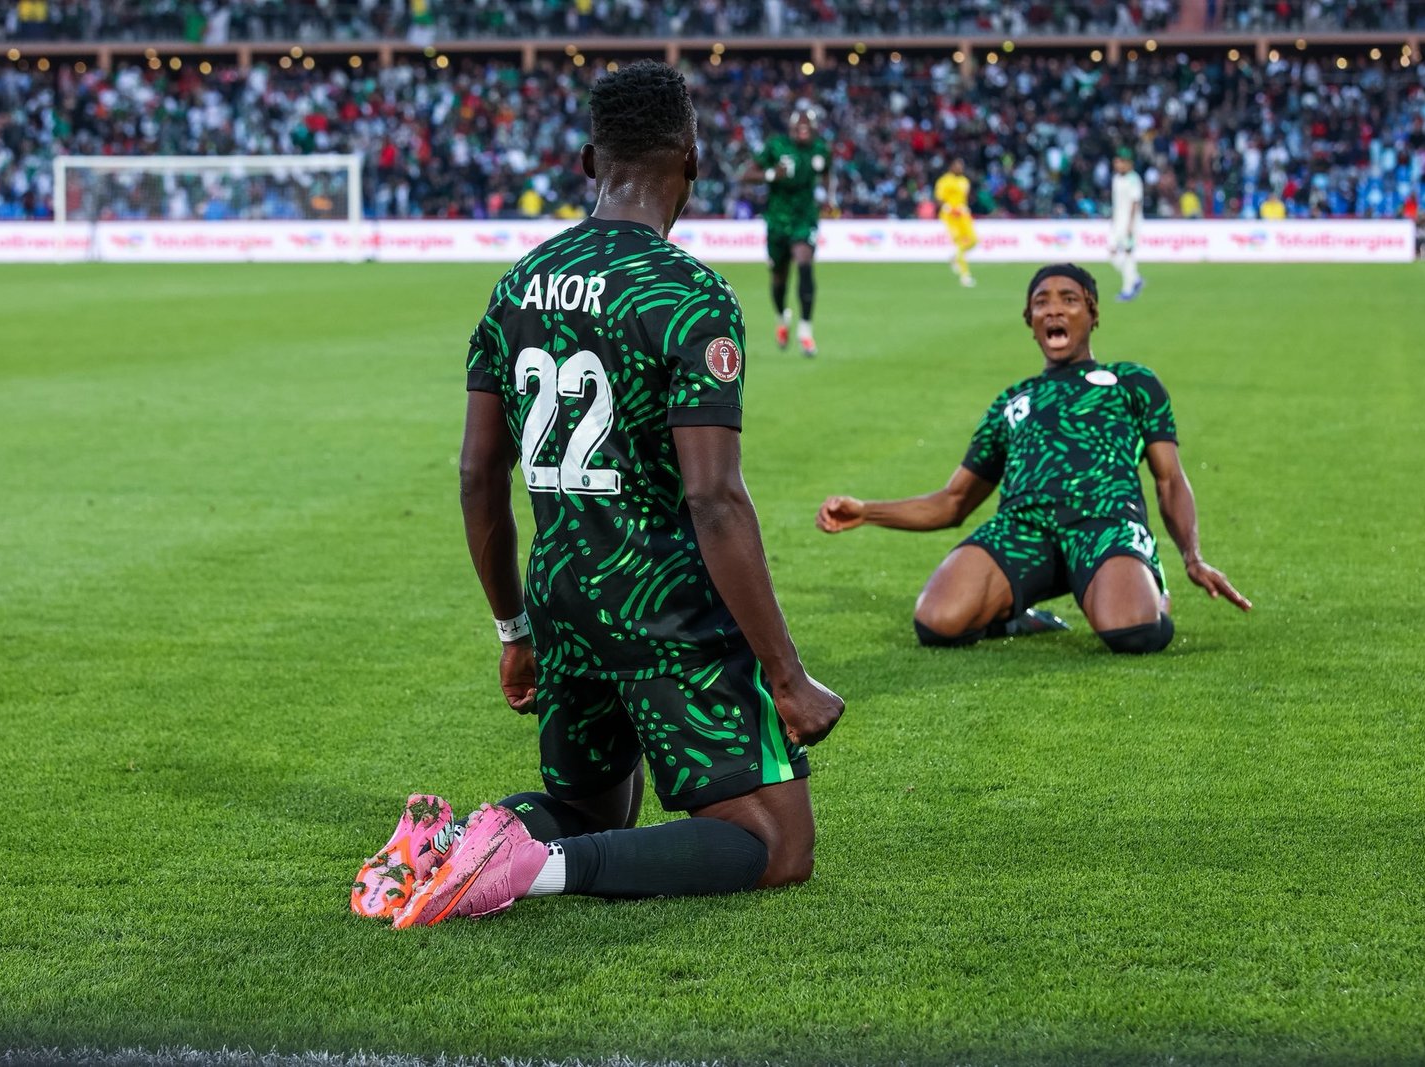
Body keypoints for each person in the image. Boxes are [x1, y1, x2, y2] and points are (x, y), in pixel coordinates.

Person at [352, 60, 844, 928]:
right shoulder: (687, 294)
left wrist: (515, 629)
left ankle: (444, 846)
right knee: (776, 842)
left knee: (593, 809)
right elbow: (715, 500)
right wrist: (786, 675)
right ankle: (521, 868)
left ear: (589, 163)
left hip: (563, 596)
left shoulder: (517, 286)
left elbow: (477, 473)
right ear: (691, 161)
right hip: (662, 605)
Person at [815, 263, 1250, 654]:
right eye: (1042, 302)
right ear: (1030, 321)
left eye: (1069, 300)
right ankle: (1015, 618)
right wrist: (866, 511)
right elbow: (953, 502)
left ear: (1093, 313)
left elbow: (1170, 480)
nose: (1054, 310)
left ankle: (1148, 587)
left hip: (1105, 523)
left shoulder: (1132, 381)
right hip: (1023, 529)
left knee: (1132, 632)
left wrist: (1191, 556)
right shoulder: (1012, 401)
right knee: (937, 622)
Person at [755, 105, 830, 356]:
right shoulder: (776, 146)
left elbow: (827, 171)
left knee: (805, 263)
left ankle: (805, 331)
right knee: (779, 278)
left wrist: (829, 198)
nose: (803, 131)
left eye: (807, 127)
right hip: (777, 220)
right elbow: (746, 174)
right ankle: (781, 318)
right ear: (791, 129)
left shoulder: (820, 148)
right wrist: (771, 174)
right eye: (799, 127)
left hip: (805, 217)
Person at [934, 158, 978, 288]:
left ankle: (954, 257)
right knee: (960, 242)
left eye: (962, 166)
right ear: (952, 167)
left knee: (974, 240)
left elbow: (964, 198)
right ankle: (965, 275)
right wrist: (948, 207)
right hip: (950, 216)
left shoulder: (964, 181)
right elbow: (939, 198)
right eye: (958, 166)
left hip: (963, 215)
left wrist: (964, 207)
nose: (960, 168)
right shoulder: (944, 181)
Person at [1109, 149, 1145, 301]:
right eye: (1116, 162)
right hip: (1117, 222)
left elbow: (1135, 202)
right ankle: (1135, 279)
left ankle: (1127, 289)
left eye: (1120, 162)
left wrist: (1130, 224)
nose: (1117, 165)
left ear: (1128, 163)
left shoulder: (1133, 179)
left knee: (1128, 253)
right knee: (1111, 253)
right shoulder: (1116, 179)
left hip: (1130, 223)